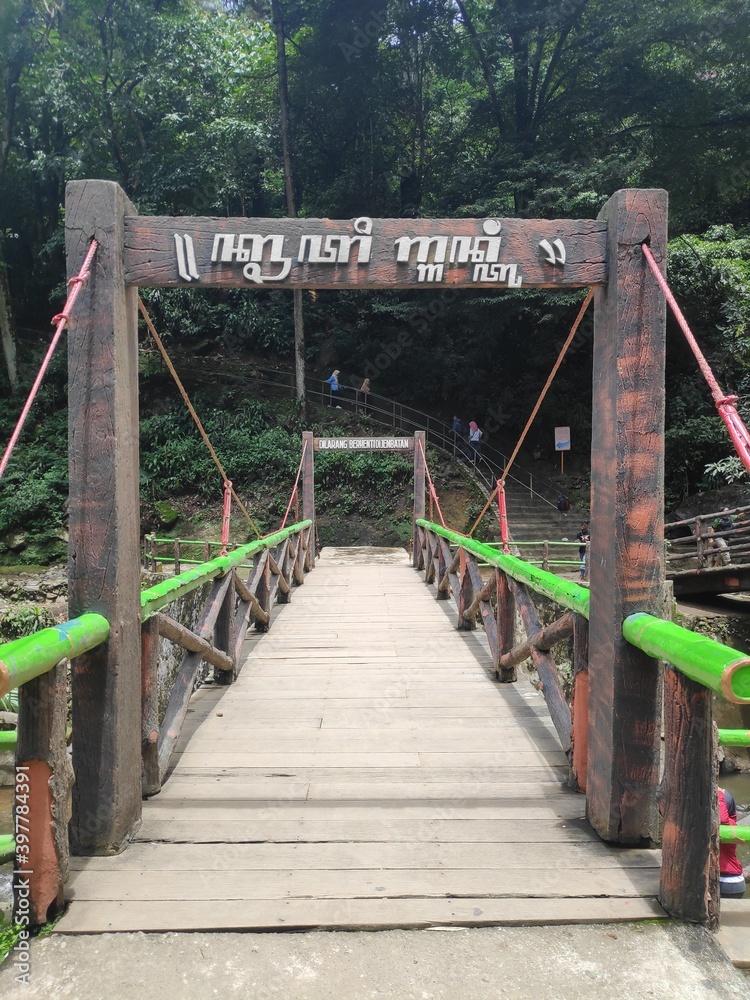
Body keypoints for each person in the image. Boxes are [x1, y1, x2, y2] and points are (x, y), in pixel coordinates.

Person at [719, 787, 746, 899]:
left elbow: (721, 818)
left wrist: (718, 793)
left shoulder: (727, 828)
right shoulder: (732, 827)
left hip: (727, 880)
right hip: (730, 879)